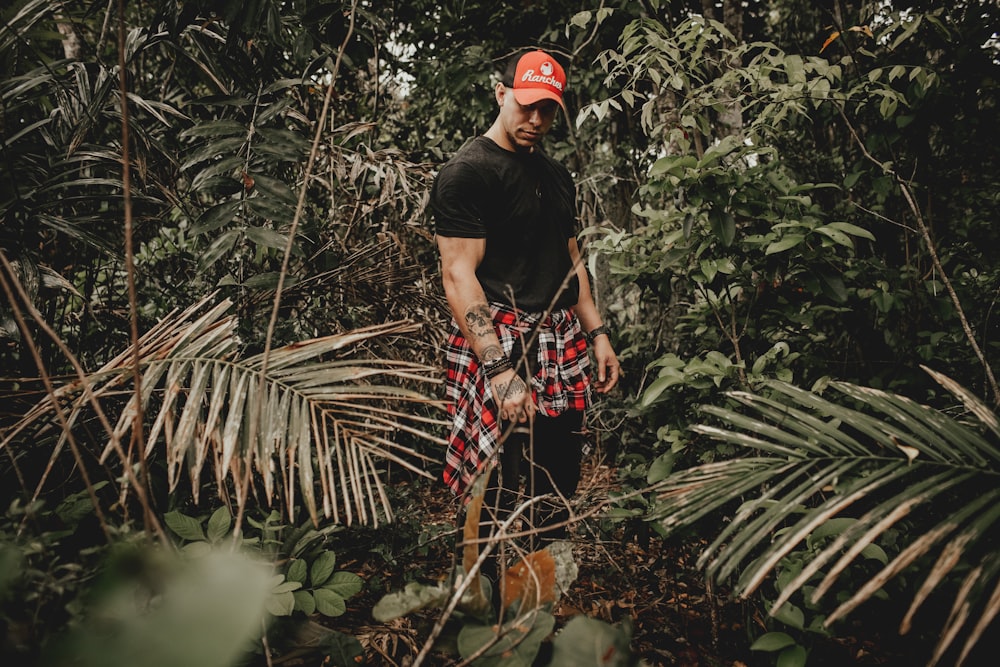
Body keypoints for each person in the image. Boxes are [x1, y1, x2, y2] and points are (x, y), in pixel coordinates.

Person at [429, 49, 620, 585]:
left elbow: (571, 262)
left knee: (556, 477)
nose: (536, 120)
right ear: (501, 93)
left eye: (548, 111)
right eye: (527, 105)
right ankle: (480, 604)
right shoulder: (468, 173)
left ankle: (538, 596)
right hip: (500, 339)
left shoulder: (558, 178)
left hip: (561, 343)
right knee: (497, 485)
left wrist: (597, 333)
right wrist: (498, 369)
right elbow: (458, 274)